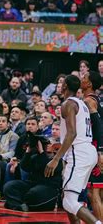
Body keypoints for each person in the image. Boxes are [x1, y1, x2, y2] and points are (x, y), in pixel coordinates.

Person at [45, 75, 100, 224]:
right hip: (87, 150)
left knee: (69, 202)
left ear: (64, 87)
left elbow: (72, 133)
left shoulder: (68, 104)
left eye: (62, 83)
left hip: (79, 153)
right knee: (70, 199)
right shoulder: (81, 103)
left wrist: (55, 159)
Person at [81, 71, 103, 220]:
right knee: (98, 193)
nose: (81, 79)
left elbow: (99, 126)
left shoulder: (89, 101)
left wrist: (100, 151)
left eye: (84, 78)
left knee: (93, 193)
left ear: (89, 84)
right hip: (97, 146)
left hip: (96, 147)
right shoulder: (95, 99)